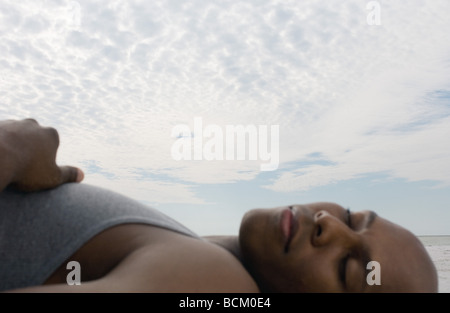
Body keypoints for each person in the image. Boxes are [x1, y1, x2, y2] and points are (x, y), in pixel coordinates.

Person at [0, 118, 438, 293]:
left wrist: (13, 148)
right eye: (351, 217)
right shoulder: (213, 261)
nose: (330, 226)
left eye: (347, 269)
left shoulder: (216, 285)